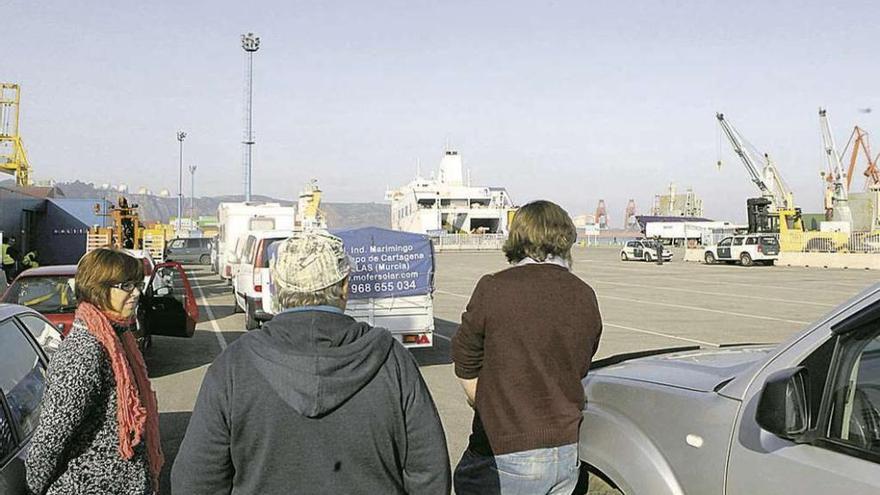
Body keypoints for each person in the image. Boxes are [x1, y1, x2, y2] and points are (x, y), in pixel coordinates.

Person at [172, 230, 450, 494]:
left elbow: (196, 480)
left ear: (276, 287)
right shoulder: (392, 360)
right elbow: (429, 472)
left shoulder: (234, 365)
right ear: (345, 287)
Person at [452, 200, 603, 495]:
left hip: (503, 449)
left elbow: (464, 358)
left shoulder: (494, 288)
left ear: (518, 237)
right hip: (565, 452)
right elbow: (581, 363)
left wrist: (481, 401)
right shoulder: (585, 295)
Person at [26, 248, 163, 494]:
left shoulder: (119, 339)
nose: (136, 294)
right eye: (126, 286)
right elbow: (50, 438)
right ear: (98, 289)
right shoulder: (85, 350)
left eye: (138, 285)